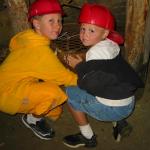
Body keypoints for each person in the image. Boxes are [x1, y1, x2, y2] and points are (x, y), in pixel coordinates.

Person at [62, 3, 144, 148]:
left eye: (91, 30)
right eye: (83, 28)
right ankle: (119, 124)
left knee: (70, 92)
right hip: (127, 101)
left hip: (114, 109)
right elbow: (104, 72)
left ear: (105, 33)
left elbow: (90, 85)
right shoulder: (111, 45)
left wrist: (79, 66)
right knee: (110, 81)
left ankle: (87, 137)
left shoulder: (95, 53)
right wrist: (86, 65)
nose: (84, 34)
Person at [0, 0, 77, 140]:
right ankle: (31, 119)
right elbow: (67, 78)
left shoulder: (29, 37)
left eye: (59, 20)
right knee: (55, 93)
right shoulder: (39, 51)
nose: (58, 26)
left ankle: (36, 108)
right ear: (36, 23)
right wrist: (90, 81)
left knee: (55, 109)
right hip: (6, 94)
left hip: (9, 83)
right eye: (51, 21)